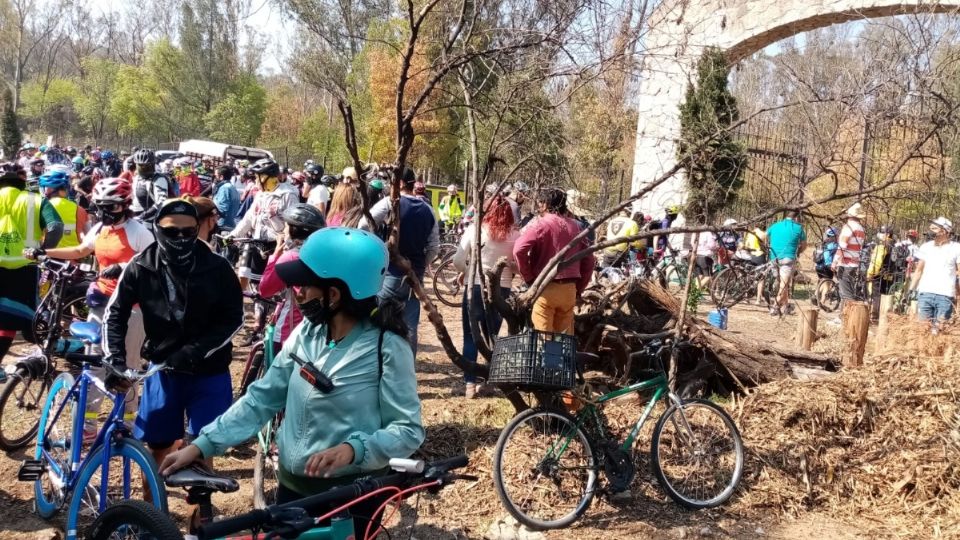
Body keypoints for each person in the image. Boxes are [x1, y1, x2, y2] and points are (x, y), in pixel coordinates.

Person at [158, 227, 424, 538]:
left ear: (334, 294)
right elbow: (262, 398)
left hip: (351, 499)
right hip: (292, 492)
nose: (295, 292)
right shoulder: (307, 334)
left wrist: (354, 450)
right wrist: (203, 444)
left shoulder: (386, 348)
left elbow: (408, 430)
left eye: (304, 286)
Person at [103, 198, 243, 472]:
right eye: (171, 231)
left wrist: (195, 351)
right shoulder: (140, 265)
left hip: (209, 371)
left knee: (202, 449)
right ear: (157, 229)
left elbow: (234, 319)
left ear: (197, 230)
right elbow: (115, 312)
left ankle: (199, 513)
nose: (180, 238)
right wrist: (114, 360)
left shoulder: (218, 267)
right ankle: (151, 511)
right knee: (157, 448)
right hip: (164, 372)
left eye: (188, 231)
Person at [35, 177, 152, 440]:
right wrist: (45, 252)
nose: (104, 212)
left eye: (110, 206)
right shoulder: (100, 227)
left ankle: (128, 423)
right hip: (101, 303)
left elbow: (153, 265)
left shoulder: (138, 232)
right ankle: (88, 427)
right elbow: (80, 249)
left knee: (126, 367)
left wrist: (123, 268)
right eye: (100, 206)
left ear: (124, 205)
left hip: (131, 309)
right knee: (94, 364)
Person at [361, 168, 439, 355]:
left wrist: (379, 251)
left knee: (378, 320)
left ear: (401, 183)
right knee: (409, 325)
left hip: (388, 273)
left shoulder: (389, 203)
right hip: (414, 276)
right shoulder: (428, 210)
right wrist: (419, 264)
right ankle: (406, 369)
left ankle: (376, 362)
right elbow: (434, 247)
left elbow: (363, 225)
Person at [452, 196, 519, 399]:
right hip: (501, 290)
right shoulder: (515, 235)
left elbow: (457, 260)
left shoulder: (475, 230)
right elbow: (517, 265)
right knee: (494, 336)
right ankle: (490, 381)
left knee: (471, 335)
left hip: (475, 286)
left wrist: (467, 270)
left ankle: (470, 384)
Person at [0, 163, 63, 375]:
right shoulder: (35, 200)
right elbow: (56, 227)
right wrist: (45, 251)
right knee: (23, 319)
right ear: (21, 184)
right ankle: (52, 355)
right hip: (25, 267)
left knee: (5, 320)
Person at [513, 188, 595, 334]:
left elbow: (519, 249)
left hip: (545, 288)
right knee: (563, 341)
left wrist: (529, 277)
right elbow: (589, 261)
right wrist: (579, 289)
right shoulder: (577, 227)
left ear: (545, 205)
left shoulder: (541, 224)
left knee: (543, 341)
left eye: (540, 204)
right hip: (569, 290)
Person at [259, 204, 326, 352]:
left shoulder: (291, 256)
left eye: (286, 227)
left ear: (293, 229)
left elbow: (265, 289)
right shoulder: (321, 255)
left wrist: (275, 256)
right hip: (318, 331)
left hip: (289, 332)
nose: (283, 230)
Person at [227, 158, 300, 291]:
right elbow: (249, 218)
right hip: (256, 242)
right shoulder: (261, 194)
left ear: (265, 177)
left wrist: (286, 245)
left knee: (268, 287)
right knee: (246, 278)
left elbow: (292, 225)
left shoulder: (288, 195)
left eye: (257, 177)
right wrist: (233, 236)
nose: (255, 181)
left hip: (275, 246)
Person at [909, 217, 960, 332]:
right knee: (923, 331)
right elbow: (919, 270)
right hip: (925, 293)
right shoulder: (925, 247)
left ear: (945, 231)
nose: (931, 231)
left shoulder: (956, 248)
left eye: (935, 228)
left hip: (945, 296)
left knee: (939, 332)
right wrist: (911, 289)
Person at [764, 210, 807, 316]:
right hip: (788, 257)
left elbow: (765, 236)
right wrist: (799, 251)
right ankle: (775, 307)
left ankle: (786, 306)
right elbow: (804, 245)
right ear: (796, 218)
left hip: (774, 257)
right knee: (783, 284)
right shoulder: (798, 228)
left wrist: (768, 247)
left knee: (783, 283)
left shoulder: (775, 225)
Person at [38, 170, 89, 248]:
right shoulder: (79, 209)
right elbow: (87, 234)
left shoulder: (42, 207)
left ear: (49, 188)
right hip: (75, 255)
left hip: (50, 255)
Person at [832, 203, 867, 305]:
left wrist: (834, 261)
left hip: (846, 263)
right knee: (848, 290)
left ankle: (847, 317)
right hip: (855, 263)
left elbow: (842, 246)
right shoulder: (861, 228)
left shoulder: (849, 227)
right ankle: (842, 316)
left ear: (849, 216)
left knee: (846, 293)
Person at [130, 149, 172, 219]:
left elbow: (161, 203)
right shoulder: (137, 178)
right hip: (136, 215)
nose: (144, 168)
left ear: (153, 165)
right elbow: (133, 198)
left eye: (147, 166)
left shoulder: (158, 179)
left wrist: (143, 216)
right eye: (141, 166)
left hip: (153, 218)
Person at [866, 225, 895, 320]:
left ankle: (875, 315)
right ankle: (883, 316)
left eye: (882, 232)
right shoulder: (893, 245)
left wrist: (871, 274)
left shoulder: (882, 245)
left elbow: (877, 262)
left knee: (876, 295)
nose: (880, 234)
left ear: (887, 234)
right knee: (885, 295)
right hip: (889, 273)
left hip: (879, 273)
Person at [212, 165, 240, 231]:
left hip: (222, 227)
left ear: (221, 177)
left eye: (215, 176)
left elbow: (222, 209)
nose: (214, 178)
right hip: (229, 225)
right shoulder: (231, 187)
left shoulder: (224, 188)